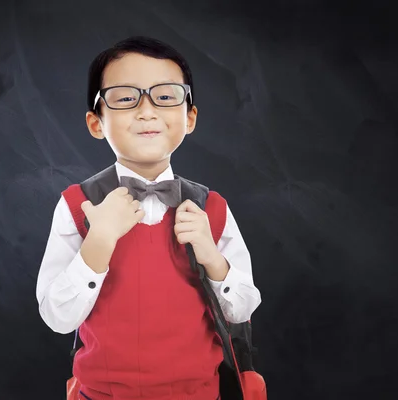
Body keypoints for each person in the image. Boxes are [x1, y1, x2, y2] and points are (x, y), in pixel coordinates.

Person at [36, 36, 262, 400]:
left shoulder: (213, 208)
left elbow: (243, 309)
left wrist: (212, 257)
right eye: (125, 98)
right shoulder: (77, 205)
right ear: (97, 123)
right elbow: (58, 318)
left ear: (189, 118)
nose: (146, 111)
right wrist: (99, 242)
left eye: (166, 96)